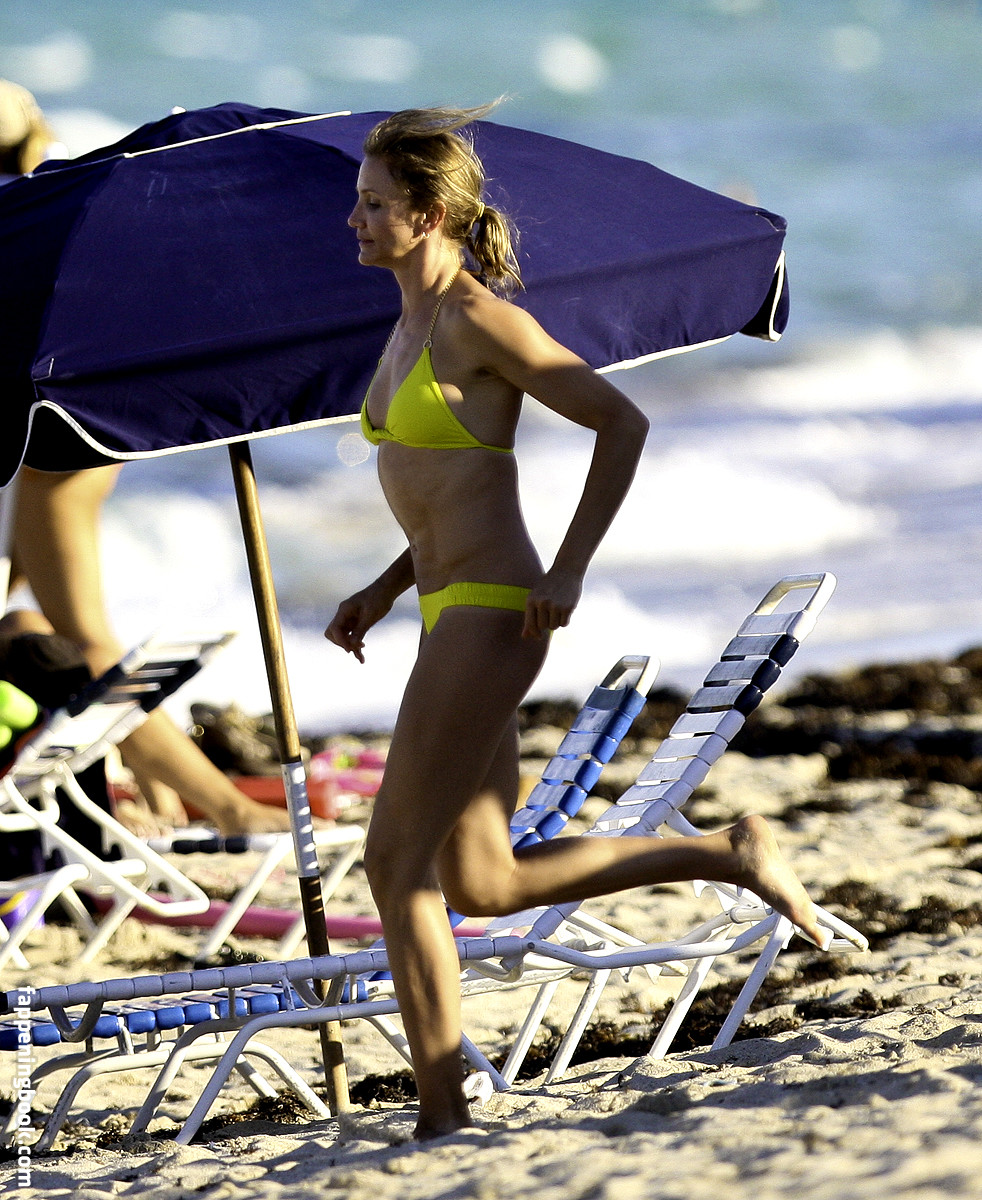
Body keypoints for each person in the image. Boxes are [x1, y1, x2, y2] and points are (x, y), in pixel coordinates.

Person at [325, 104, 828, 1140]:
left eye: (373, 204)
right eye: (359, 202)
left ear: (427, 215)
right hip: (443, 602)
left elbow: (618, 422)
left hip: (493, 606)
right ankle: (730, 851)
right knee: (483, 879)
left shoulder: (476, 320)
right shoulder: (406, 324)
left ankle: (439, 1110)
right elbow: (439, 486)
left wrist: (570, 565)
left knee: (392, 865)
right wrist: (384, 586)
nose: (355, 220)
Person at [7, 464, 292, 837]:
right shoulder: (60, 457)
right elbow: (90, 651)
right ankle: (231, 810)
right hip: (49, 467)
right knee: (64, 649)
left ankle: (140, 788)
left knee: (31, 630)